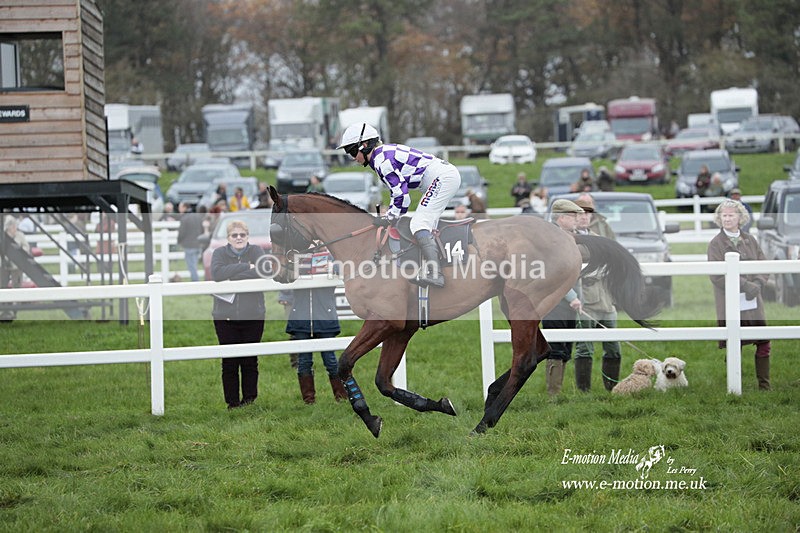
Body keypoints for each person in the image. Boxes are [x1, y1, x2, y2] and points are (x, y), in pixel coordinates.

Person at [337, 122, 461, 288]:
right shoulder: (381, 155)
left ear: (365, 145)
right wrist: (392, 215)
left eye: (352, 151)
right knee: (425, 226)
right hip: (442, 176)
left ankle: (436, 274)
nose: (352, 157)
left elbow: (403, 197)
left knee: (418, 223)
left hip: (443, 178)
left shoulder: (382, 160)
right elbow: (398, 195)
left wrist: (389, 217)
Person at [707, 200, 772, 390]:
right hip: (730, 301)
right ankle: (735, 385)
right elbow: (717, 276)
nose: (727, 219)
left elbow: (763, 264)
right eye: (724, 215)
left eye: (731, 215)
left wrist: (758, 283)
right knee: (735, 341)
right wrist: (745, 286)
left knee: (763, 340)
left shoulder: (750, 240)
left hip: (754, 300)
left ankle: (764, 386)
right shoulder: (715, 244)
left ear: (740, 218)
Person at [278, 251, 348, 404]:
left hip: (324, 315)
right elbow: (284, 273)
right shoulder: (295, 257)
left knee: (330, 360)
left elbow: (344, 266)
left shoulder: (330, 256)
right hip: (301, 318)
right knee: (304, 361)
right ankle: (309, 400)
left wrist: (332, 266)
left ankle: (341, 398)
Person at [210, 220, 267, 408]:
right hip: (225, 317)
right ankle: (232, 402)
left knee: (250, 360)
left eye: (242, 234)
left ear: (248, 236)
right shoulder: (219, 253)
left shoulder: (256, 251)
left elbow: (263, 271)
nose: (239, 238)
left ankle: (249, 400)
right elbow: (217, 274)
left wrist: (232, 274)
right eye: (234, 235)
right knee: (230, 361)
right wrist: (246, 267)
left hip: (253, 316)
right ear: (228, 238)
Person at [573, 196, 621, 391]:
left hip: (606, 299)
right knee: (585, 348)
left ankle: (611, 388)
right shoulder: (571, 239)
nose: (585, 217)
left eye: (588, 213)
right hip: (585, 299)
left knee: (613, 348)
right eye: (580, 213)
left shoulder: (599, 237)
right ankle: (585, 392)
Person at [542, 199, 584, 396]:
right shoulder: (552, 239)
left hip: (567, 301)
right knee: (556, 348)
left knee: (566, 346)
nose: (577, 220)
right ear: (562, 218)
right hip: (554, 302)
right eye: (573, 216)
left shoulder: (566, 238)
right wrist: (573, 297)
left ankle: (557, 393)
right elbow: (555, 274)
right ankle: (553, 395)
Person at [177, 202, 204, 282]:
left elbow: (181, 232)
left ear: (185, 207)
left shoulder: (184, 218)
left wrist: (178, 241)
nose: (179, 209)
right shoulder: (198, 217)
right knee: (194, 264)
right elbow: (202, 230)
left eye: (180, 207)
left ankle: (195, 282)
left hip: (188, 245)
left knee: (191, 266)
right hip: (198, 244)